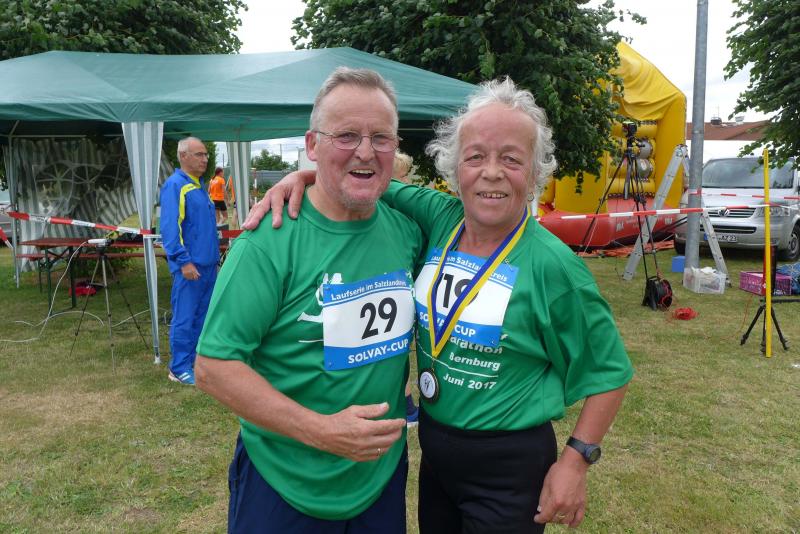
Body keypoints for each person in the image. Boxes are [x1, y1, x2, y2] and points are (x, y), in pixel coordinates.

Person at [246, 77, 633, 533]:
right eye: (475, 157)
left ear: (534, 175)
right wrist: (301, 176)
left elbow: (610, 372)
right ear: (455, 169)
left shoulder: (554, 266)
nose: (491, 172)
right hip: (436, 459)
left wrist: (576, 461)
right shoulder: (441, 217)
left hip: (508, 468)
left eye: (511, 159)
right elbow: (365, 178)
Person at [194, 67, 422, 533]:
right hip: (283, 483)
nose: (365, 150)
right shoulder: (267, 242)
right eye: (346, 135)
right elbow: (214, 366)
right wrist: (322, 430)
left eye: (381, 137)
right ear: (313, 145)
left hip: (379, 480)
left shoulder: (409, 232)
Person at [160, 136, 220, 386]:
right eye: (199, 154)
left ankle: (195, 361)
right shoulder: (176, 185)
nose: (205, 159)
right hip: (190, 267)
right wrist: (183, 261)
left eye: (206, 154)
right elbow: (170, 228)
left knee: (202, 317)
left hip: (208, 266)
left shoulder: (199, 186)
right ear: (183, 156)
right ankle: (179, 367)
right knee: (185, 317)